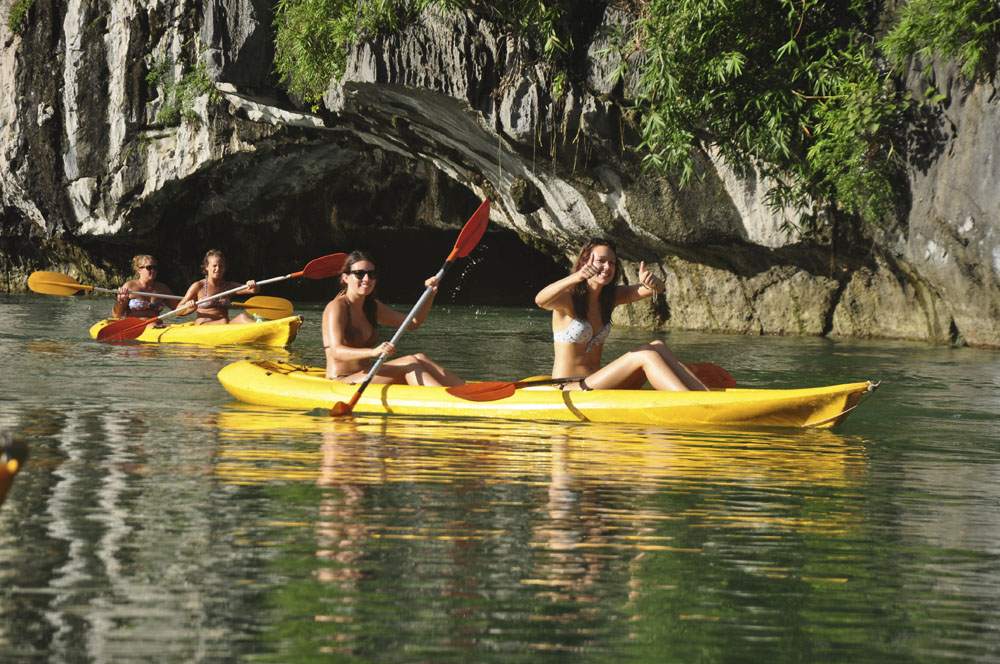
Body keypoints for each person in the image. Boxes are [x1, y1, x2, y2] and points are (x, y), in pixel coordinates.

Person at [534, 238, 708, 391]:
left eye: (612, 262)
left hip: (598, 383)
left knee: (658, 345)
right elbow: (541, 300)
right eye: (601, 261)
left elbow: (655, 290)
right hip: (570, 387)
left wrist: (654, 283)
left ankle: (703, 395)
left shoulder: (610, 298)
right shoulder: (568, 300)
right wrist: (577, 277)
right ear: (584, 263)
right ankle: (690, 402)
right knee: (645, 354)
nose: (607, 267)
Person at [321, 250, 464, 386]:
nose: (366, 279)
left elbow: (413, 323)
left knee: (420, 358)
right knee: (409, 362)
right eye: (359, 274)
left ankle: (465, 390)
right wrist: (373, 352)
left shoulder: (372, 306)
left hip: (368, 374)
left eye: (371, 274)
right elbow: (336, 352)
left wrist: (430, 295)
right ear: (346, 278)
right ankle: (449, 400)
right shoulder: (337, 307)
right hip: (342, 380)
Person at [176, 249, 259, 324]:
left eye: (220, 266)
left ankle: (263, 328)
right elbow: (178, 310)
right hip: (204, 325)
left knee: (242, 317)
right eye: (214, 266)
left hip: (224, 324)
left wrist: (252, 284)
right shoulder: (198, 286)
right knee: (223, 321)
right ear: (207, 267)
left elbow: (253, 290)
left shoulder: (228, 286)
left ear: (224, 268)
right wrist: (190, 308)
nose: (218, 269)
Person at [113, 254, 174, 320]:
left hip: (156, 325)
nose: (153, 270)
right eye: (149, 268)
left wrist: (187, 301)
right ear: (139, 270)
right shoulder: (129, 286)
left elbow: (180, 310)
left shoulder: (162, 288)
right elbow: (117, 315)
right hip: (135, 326)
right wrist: (120, 301)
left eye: (155, 268)